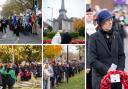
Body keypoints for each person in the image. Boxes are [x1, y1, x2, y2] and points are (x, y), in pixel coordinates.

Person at [88, 9, 125, 89]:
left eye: (111, 19)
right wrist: (107, 70)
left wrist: (119, 71)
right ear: (101, 23)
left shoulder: (116, 35)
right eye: (107, 20)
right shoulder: (93, 38)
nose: (110, 22)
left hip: (115, 79)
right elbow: (92, 60)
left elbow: (121, 55)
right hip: (100, 79)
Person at [86, 8, 96, 89]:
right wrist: (88, 65)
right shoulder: (84, 29)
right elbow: (86, 49)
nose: (89, 16)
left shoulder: (96, 29)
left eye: (90, 14)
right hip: (88, 64)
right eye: (87, 14)